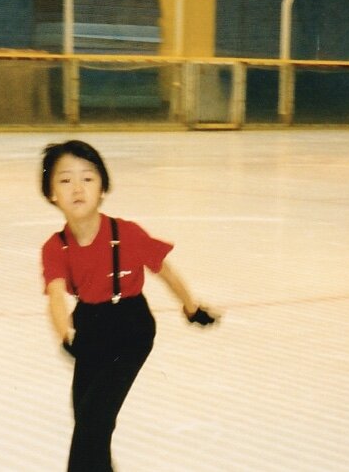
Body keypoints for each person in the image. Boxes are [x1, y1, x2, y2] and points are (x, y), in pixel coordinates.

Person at [40, 139, 218, 472]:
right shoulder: (56, 247)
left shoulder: (126, 233)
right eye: (65, 180)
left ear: (103, 187)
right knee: (88, 417)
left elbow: (165, 271)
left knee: (93, 421)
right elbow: (56, 294)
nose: (77, 188)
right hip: (89, 327)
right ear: (51, 194)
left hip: (131, 329)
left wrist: (191, 307)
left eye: (87, 178)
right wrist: (66, 334)